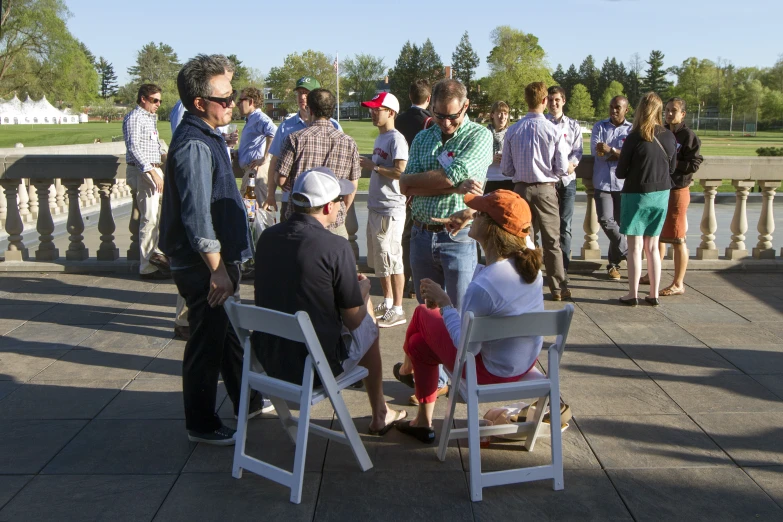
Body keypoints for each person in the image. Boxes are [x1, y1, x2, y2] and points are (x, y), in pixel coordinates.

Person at [160, 54, 269, 446]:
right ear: (198, 104)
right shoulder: (193, 144)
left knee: (227, 333)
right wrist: (218, 269)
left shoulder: (206, 136)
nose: (232, 103)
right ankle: (201, 423)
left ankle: (248, 400)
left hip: (214, 261)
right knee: (207, 341)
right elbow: (196, 218)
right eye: (225, 98)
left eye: (232, 94)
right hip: (203, 264)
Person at [253, 167, 407, 434]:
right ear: (327, 208)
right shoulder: (335, 247)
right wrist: (364, 291)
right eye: (338, 201)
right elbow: (353, 318)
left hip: (268, 361)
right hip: (312, 367)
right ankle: (380, 412)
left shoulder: (267, 237)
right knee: (368, 319)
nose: (341, 206)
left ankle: (381, 411)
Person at [395, 190, 544, 443]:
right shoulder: (527, 265)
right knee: (420, 344)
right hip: (522, 364)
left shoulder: (484, 286)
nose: (473, 216)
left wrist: (445, 303)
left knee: (422, 312)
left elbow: (465, 347)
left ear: (491, 228)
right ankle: (421, 418)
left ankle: (408, 368)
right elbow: (517, 232)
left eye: (479, 214)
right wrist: (470, 216)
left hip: (488, 373)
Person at [395, 78, 491, 406]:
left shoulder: (479, 135)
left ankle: (460, 376)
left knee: (460, 312)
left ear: (465, 107)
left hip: (459, 237)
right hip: (421, 233)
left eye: (452, 116)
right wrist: (449, 184)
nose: (446, 123)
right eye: (439, 115)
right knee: (428, 312)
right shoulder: (423, 136)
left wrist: (439, 182)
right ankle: (435, 377)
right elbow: (405, 184)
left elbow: (452, 178)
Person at [502, 81, 571, 301]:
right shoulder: (553, 130)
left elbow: (506, 168)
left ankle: (525, 284)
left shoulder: (513, 130)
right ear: (544, 101)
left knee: (524, 241)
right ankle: (558, 287)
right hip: (546, 189)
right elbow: (561, 168)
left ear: (526, 100)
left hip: (521, 189)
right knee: (552, 241)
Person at [615, 92, 677, 307]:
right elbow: (674, 167)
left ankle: (632, 293)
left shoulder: (635, 137)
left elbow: (621, 173)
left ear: (641, 109)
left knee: (634, 247)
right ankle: (653, 294)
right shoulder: (669, 136)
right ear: (660, 110)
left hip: (636, 194)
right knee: (653, 246)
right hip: (661, 194)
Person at [275, 88, 360, 238]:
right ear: (332, 110)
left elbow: (280, 178)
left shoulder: (294, 139)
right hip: (334, 220)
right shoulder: (348, 142)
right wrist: (342, 210)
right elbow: (352, 185)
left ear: (309, 109)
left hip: (300, 220)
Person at [640, 97, 703, 296]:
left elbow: (694, 164)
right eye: (666, 110)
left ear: (682, 114)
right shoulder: (662, 132)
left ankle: (678, 282)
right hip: (661, 189)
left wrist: (673, 165)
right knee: (656, 235)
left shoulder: (688, 136)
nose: (668, 114)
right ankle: (652, 273)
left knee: (677, 238)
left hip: (678, 191)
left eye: (673, 111)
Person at [261, 76, 342, 222]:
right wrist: (271, 195)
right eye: (299, 93)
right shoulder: (286, 126)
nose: (302, 97)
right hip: (292, 200)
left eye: (306, 93)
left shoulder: (334, 126)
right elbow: (275, 161)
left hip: (325, 201)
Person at [359, 92, 409, 328]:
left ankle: (398, 309)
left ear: (390, 112)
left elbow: (401, 171)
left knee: (393, 258)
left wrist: (374, 167)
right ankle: (388, 302)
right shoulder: (381, 137)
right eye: (371, 109)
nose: (372, 112)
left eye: (376, 109)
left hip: (391, 208)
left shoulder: (396, 139)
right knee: (381, 260)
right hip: (377, 206)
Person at [123, 83, 170, 280]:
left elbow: (153, 145)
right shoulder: (135, 118)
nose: (158, 104)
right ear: (143, 98)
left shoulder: (149, 118)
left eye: (159, 100)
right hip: (144, 171)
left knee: (158, 218)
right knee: (149, 218)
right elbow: (134, 148)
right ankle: (147, 267)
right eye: (154, 100)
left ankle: (155, 260)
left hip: (153, 169)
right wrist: (152, 172)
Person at [395, 79, 433, 298]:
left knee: (403, 236)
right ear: (428, 99)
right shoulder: (428, 122)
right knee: (415, 233)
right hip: (417, 182)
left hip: (396, 181)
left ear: (410, 97)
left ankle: (404, 279)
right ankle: (416, 283)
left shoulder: (398, 120)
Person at [591, 96, 633, 280]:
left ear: (626, 110)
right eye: (611, 107)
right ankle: (628, 251)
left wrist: (612, 151)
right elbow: (597, 152)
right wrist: (616, 154)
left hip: (624, 184)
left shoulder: (632, 130)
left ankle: (613, 265)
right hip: (602, 183)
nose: (613, 110)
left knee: (619, 225)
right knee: (605, 220)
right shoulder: (599, 126)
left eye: (618, 107)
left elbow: (631, 156)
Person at [546, 86, 583, 272]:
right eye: (550, 100)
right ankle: (547, 265)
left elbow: (578, 150)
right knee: (546, 226)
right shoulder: (542, 123)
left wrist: (572, 164)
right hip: (548, 181)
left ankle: (563, 268)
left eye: (557, 100)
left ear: (563, 101)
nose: (553, 103)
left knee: (565, 225)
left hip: (568, 181)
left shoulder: (573, 125)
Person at [237, 86, 278, 229]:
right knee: (250, 213)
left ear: (251, 101)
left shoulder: (259, 118)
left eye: (241, 100)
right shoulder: (251, 119)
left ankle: (264, 246)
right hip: (250, 172)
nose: (237, 104)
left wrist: (265, 157)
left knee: (260, 213)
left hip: (257, 172)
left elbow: (273, 132)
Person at [484, 101, 513, 193]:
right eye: (500, 113)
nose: (503, 117)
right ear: (492, 115)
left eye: (505, 113)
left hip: (508, 179)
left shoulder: (512, 133)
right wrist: (490, 158)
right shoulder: (483, 133)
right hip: (489, 178)